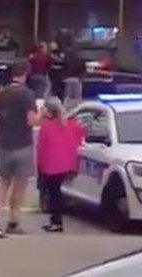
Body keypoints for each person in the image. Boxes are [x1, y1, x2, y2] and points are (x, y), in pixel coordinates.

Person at [0, 61, 39, 238]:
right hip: (23, 144)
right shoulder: (27, 94)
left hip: (5, 144)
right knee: (20, 185)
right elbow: (31, 121)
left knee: (3, 182)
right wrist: (43, 116)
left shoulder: (0, 94)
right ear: (25, 74)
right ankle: (13, 220)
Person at [36, 97, 84, 232]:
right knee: (57, 192)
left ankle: (56, 221)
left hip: (51, 165)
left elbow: (41, 148)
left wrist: (39, 166)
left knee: (54, 193)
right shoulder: (70, 123)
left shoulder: (47, 126)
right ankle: (56, 220)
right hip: (66, 163)